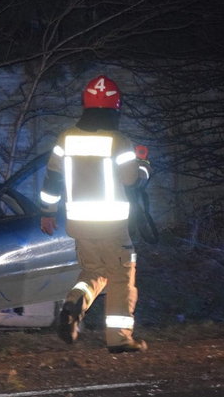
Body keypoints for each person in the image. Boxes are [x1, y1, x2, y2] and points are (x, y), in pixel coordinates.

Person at [39, 75, 151, 353]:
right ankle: (119, 338)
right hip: (112, 225)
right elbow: (132, 181)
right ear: (116, 106)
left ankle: (72, 304)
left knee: (94, 271)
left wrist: (47, 212)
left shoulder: (66, 138)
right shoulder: (118, 141)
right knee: (122, 278)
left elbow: (51, 179)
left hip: (80, 223)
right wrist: (145, 165)